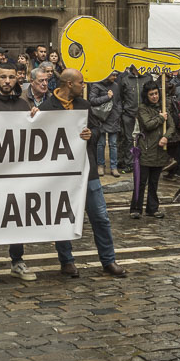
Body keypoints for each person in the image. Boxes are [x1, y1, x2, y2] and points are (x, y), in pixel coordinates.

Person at [40, 68, 125, 278]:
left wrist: (91, 134)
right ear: (69, 84)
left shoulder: (84, 105)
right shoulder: (46, 108)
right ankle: (66, 261)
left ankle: (108, 260)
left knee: (100, 217)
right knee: (62, 218)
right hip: (60, 174)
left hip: (87, 170)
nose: (83, 85)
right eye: (81, 82)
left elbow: (97, 130)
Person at [0, 64, 40, 284]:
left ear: (17, 79)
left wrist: (36, 117)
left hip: (17, 172)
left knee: (17, 215)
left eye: (11, 77)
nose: (7, 81)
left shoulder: (23, 104)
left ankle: (17, 260)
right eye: (3, 77)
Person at [134, 81, 177, 219]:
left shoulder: (163, 107)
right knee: (141, 181)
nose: (154, 96)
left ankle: (152, 208)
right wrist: (160, 118)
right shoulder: (142, 109)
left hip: (159, 151)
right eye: (151, 94)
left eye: (156, 93)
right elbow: (147, 125)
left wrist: (166, 137)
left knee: (154, 182)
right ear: (146, 95)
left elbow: (171, 126)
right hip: (146, 149)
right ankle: (136, 208)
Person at [88, 72, 120, 177]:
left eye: (116, 75)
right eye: (113, 75)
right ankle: (100, 165)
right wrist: (107, 97)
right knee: (100, 144)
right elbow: (92, 100)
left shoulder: (116, 85)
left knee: (113, 144)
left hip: (113, 117)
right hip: (100, 118)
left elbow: (118, 100)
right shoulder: (96, 85)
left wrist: (118, 112)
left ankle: (114, 167)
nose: (115, 77)